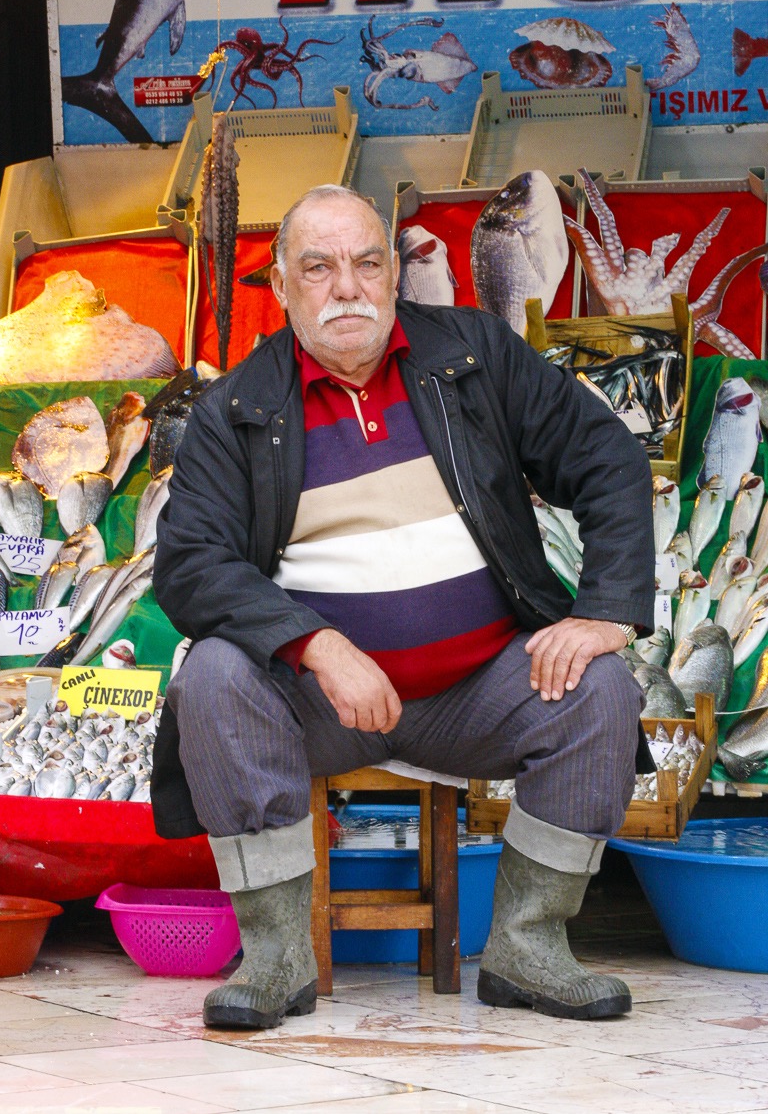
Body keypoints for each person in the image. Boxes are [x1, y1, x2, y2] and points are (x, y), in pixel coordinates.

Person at [151, 183, 655, 1031]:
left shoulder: (476, 355)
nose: (346, 286)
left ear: (394, 274)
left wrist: (607, 607)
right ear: (280, 287)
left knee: (599, 687)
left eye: (366, 262)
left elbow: (606, 455)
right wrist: (314, 643)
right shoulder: (234, 409)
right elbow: (191, 563)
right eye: (318, 267)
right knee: (213, 676)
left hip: (478, 690)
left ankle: (528, 945)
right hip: (317, 704)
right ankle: (276, 958)